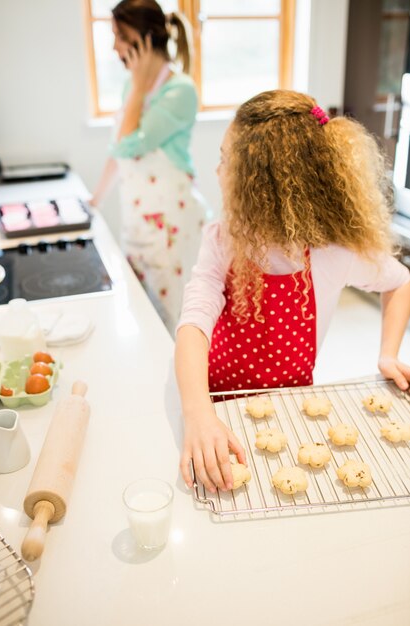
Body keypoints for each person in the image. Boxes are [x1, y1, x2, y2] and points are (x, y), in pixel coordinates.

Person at [174, 89, 410, 494]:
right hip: (215, 402)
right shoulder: (224, 239)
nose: (217, 171)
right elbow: (194, 320)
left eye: (227, 161)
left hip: (289, 412)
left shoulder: (334, 253)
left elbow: (401, 281)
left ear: (260, 182)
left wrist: (388, 354)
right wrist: (196, 411)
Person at [90, 0, 208, 333]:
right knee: (142, 314)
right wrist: (96, 200)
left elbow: (131, 144)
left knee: (171, 321)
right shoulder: (131, 84)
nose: (114, 47)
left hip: (171, 224)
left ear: (144, 38)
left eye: (120, 36)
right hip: (137, 221)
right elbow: (117, 150)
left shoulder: (180, 90)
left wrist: (141, 87)